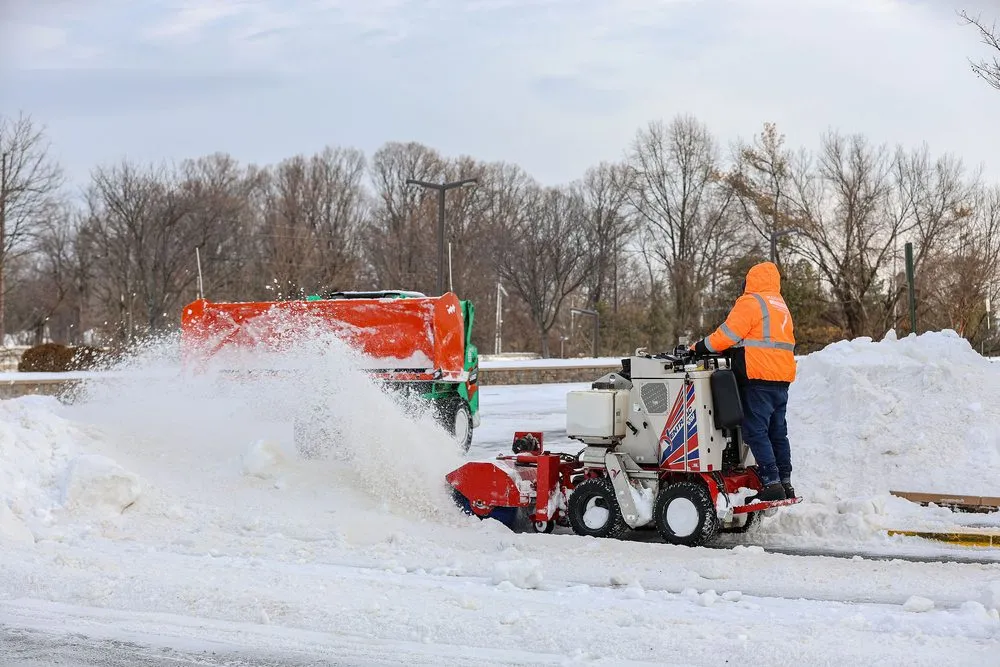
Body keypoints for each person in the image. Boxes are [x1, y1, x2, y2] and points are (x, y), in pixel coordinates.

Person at [690, 261, 797, 501]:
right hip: (781, 379)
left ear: (750, 281)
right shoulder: (780, 305)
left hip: (759, 376)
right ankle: (786, 482)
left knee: (755, 432)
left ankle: (771, 482)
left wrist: (698, 347)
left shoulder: (751, 302)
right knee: (777, 433)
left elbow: (726, 335)